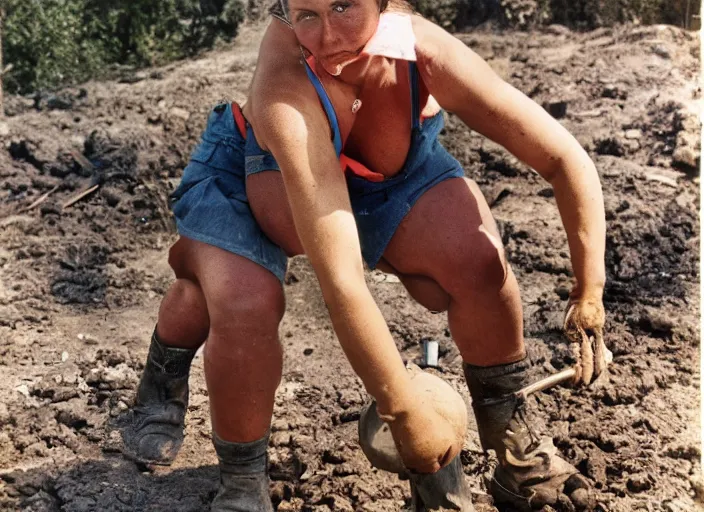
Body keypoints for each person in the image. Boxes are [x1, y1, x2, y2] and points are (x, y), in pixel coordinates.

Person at [120, 0, 608, 510]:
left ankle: (516, 454)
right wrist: (402, 409)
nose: (328, 37)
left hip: (376, 182)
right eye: (306, 15)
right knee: (242, 302)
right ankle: (231, 467)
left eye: (345, 7)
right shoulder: (283, 92)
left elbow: (563, 158)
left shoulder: (424, 51)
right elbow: (343, 283)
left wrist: (589, 290)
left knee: (477, 262)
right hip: (250, 189)